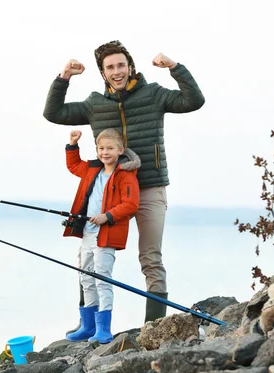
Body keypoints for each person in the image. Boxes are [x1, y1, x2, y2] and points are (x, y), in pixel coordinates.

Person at [44, 40, 205, 323]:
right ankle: (90, 324)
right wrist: (64, 76)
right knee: (91, 258)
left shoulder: (153, 95)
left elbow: (194, 101)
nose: (117, 71)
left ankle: (154, 328)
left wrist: (174, 67)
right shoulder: (95, 104)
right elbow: (53, 113)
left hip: (150, 187)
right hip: (108, 193)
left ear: (130, 67)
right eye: (110, 67)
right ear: (103, 73)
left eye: (121, 65)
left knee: (151, 258)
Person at [63, 128, 140, 343]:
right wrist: (72, 144)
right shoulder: (92, 169)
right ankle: (88, 326)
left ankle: (103, 329)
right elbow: (73, 166)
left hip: (106, 235)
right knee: (85, 277)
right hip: (88, 233)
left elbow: (131, 204)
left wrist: (107, 216)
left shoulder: (126, 175)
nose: (105, 152)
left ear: (120, 150)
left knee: (102, 279)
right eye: (101, 148)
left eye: (110, 148)